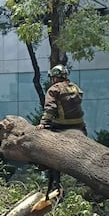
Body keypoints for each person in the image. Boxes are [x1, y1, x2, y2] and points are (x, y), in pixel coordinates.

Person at [36, 64, 86, 195]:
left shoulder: (54, 89)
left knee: (45, 145)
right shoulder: (75, 88)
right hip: (79, 125)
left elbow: (50, 108)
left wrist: (43, 123)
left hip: (61, 126)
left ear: (54, 78)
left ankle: (47, 169)